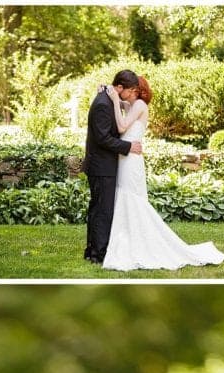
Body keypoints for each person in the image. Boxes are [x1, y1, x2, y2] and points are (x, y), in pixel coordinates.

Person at [101, 75, 224, 272]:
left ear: (136, 90)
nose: (126, 93)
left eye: (130, 89)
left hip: (131, 161)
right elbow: (122, 107)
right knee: (124, 197)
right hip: (125, 158)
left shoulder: (140, 105)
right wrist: (113, 95)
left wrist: (116, 101)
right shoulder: (131, 105)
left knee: (132, 198)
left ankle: (140, 243)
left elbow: (122, 126)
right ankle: (127, 241)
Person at [83, 70, 144, 265]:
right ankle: (99, 253)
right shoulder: (103, 104)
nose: (130, 95)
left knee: (98, 209)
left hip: (103, 165)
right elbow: (103, 138)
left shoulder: (108, 98)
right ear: (119, 87)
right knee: (103, 211)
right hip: (101, 166)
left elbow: (124, 108)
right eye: (129, 91)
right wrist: (128, 146)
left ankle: (92, 250)